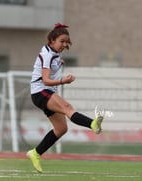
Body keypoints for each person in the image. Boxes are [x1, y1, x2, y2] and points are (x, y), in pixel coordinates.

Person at [27, 23, 105, 173]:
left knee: (61, 128)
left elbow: (49, 68)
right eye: (61, 41)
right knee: (68, 108)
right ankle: (93, 124)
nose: (64, 44)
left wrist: (58, 64)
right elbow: (45, 80)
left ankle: (35, 153)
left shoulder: (53, 53)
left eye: (66, 42)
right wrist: (64, 80)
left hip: (44, 93)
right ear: (52, 40)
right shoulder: (48, 54)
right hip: (41, 92)